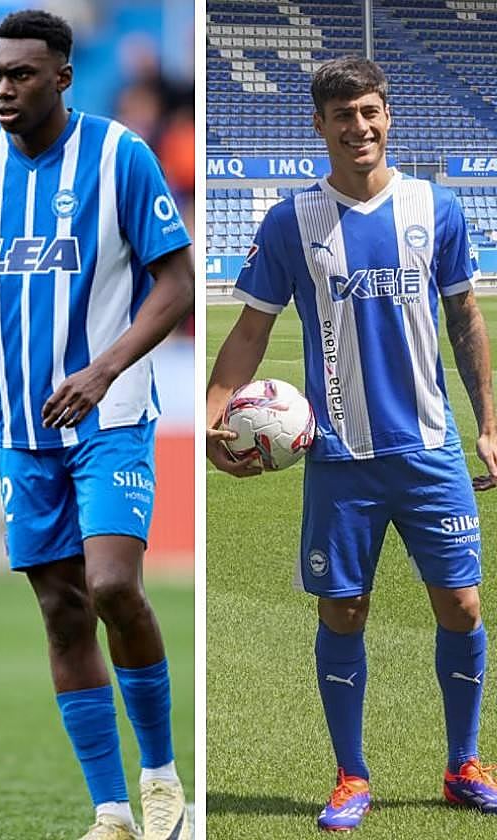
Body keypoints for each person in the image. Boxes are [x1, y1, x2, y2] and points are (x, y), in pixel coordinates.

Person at [0, 10, 193, 840]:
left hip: (114, 410)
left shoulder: (120, 157)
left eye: (21, 75)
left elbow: (171, 285)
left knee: (111, 586)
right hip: (21, 423)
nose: (2, 88)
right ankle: (111, 810)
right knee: (63, 613)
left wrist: (104, 369)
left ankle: (163, 778)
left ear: (63, 78)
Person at [205, 56, 497, 831]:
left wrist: (491, 424)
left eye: (369, 111)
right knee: (344, 614)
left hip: (429, 451)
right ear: (320, 126)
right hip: (338, 458)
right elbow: (251, 329)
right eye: (343, 115)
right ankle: (350, 776)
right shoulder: (290, 222)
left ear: (387, 116)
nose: (358, 127)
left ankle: (464, 763)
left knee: (463, 606)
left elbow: (467, 321)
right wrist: (210, 417)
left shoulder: (437, 209)